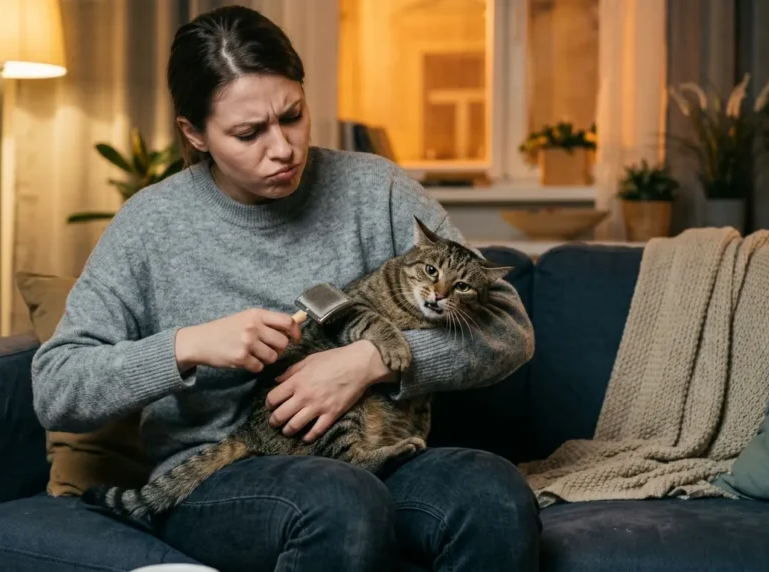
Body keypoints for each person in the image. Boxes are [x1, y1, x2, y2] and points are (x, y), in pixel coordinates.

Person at [31, 5, 540, 571]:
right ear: (195, 133)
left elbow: (509, 332)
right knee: (340, 502)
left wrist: (371, 361)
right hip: (221, 475)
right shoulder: (151, 224)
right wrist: (187, 345)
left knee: (491, 492)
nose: (283, 148)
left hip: (377, 456)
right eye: (248, 133)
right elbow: (57, 387)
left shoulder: (377, 189)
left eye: (293, 116)